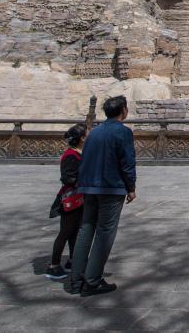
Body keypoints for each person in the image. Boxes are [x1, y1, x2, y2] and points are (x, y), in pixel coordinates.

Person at [67, 96, 137, 296]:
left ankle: (76, 279)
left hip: (89, 188)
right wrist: (131, 187)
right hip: (110, 188)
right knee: (105, 232)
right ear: (123, 110)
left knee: (86, 230)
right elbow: (127, 162)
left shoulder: (94, 132)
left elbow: (85, 160)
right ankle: (92, 281)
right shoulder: (122, 132)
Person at [45, 124, 87, 280]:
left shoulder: (79, 153)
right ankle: (54, 265)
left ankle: (72, 260)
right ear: (81, 138)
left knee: (75, 231)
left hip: (80, 197)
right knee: (65, 232)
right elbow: (67, 177)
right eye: (87, 134)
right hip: (70, 199)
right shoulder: (70, 155)